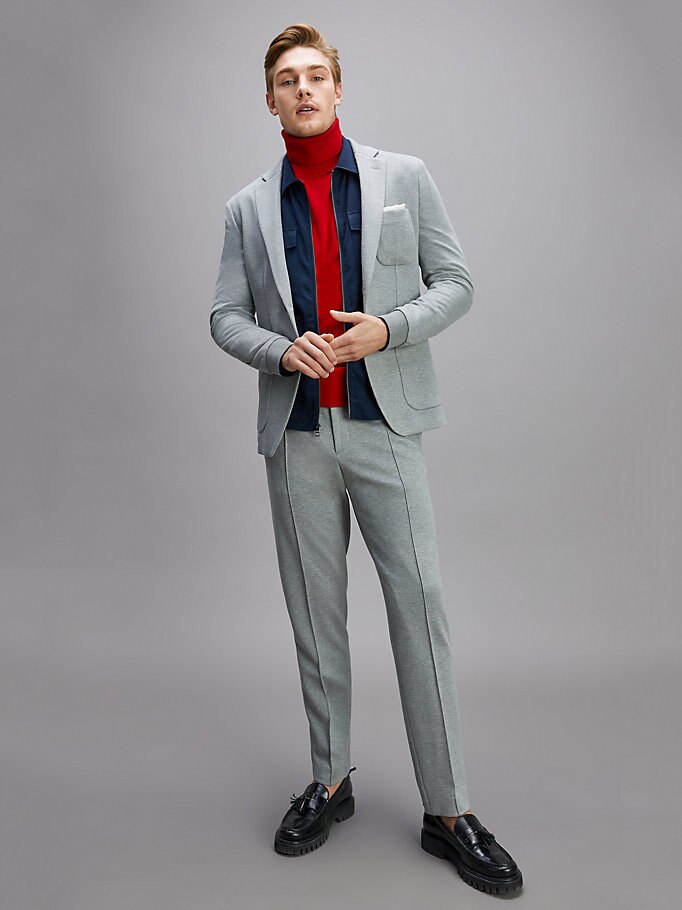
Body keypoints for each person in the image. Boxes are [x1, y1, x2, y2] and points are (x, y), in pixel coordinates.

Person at [210, 22, 523, 895]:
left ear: (338, 90)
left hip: (386, 425)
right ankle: (330, 781)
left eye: (316, 76)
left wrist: (390, 329)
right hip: (298, 435)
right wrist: (280, 350)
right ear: (269, 100)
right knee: (316, 617)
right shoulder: (245, 207)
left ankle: (449, 811)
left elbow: (455, 283)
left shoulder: (403, 177)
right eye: (287, 80)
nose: (303, 89)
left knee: (420, 607)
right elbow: (225, 315)